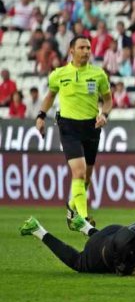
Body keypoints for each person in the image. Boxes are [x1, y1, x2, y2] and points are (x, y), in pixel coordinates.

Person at [35, 36, 112, 227]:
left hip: (91, 128)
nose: (86, 51)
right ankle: (84, 220)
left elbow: (108, 100)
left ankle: (71, 208)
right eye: (82, 47)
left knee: (86, 178)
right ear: (71, 51)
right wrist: (41, 116)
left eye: (88, 47)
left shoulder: (99, 74)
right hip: (68, 127)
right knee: (78, 172)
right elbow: (50, 96)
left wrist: (104, 115)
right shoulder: (59, 74)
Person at [18, 203, 135, 277]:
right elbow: (125, 273)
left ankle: (84, 226)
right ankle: (37, 229)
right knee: (78, 263)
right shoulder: (128, 246)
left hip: (113, 232)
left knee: (113, 242)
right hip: (99, 251)